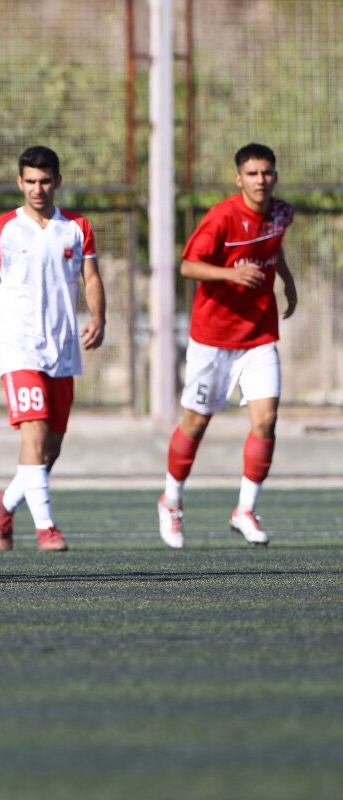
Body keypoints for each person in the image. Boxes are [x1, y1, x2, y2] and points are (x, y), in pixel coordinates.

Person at [0, 146, 105, 553]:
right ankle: (46, 529)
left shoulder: (76, 227)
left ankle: (4, 505)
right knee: (35, 437)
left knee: (50, 450)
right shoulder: (2, 228)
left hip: (63, 351)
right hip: (20, 349)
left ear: (57, 182)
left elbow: (91, 277)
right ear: (19, 183)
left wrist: (99, 317)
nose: (37, 188)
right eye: (30, 181)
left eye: (44, 181)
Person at [156, 143, 297, 548]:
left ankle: (245, 510)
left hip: (259, 336)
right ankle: (171, 501)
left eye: (266, 173)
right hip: (213, 339)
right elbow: (187, 266)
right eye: (252, 173)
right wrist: (230, 275)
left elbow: (273, 247)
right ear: (239, 179)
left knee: (266, 421)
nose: (260, 180)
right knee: (196, 423)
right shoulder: (222, 217)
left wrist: (287, 281)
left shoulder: (281, 213)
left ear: (274, 176)